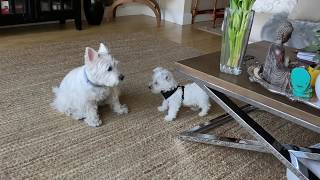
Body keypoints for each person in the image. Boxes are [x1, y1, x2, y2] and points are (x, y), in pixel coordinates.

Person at [262, 21, 294, 92]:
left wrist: (286, 63)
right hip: (275, 74)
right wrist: (288, 67)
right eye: (289, 35)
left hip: (272, 70)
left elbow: (279, 62)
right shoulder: (278, 48)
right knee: (290, 73)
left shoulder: (275, 45)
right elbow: (279, 67)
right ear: (283, 35)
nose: (290, 37)